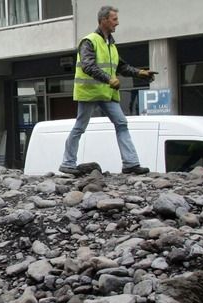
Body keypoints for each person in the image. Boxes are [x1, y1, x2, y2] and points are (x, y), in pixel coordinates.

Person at [59, 5, 156, 176]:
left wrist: (140, 73)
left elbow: (121, 66)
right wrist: (109, 79)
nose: (117, 23)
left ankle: (131, 164)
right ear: (103, 20)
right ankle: (67, 163)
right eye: (114, 19)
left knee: (121, 123)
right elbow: (88, 66)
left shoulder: (110, 43)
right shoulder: (89, 41)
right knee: (80, 127)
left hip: (106, 93)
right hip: (89, 93)